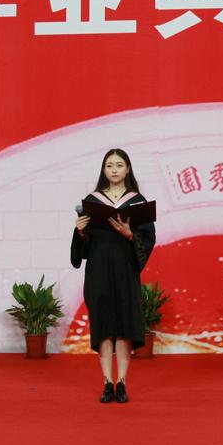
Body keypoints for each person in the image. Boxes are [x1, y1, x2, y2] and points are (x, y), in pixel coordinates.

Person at [71, 148, 155, 404]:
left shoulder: (137, 201)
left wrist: (130, 234)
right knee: (104, 325)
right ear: (104, 170)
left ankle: (122, 382)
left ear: (127, 169)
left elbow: (148, 239)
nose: (114, 169)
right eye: (110, 165)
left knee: (125, 326)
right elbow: (84, 247)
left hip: (125, 269)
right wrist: (81, 232)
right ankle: (107, 381)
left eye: (119, 165)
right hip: (98, 270)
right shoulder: (92, 201)